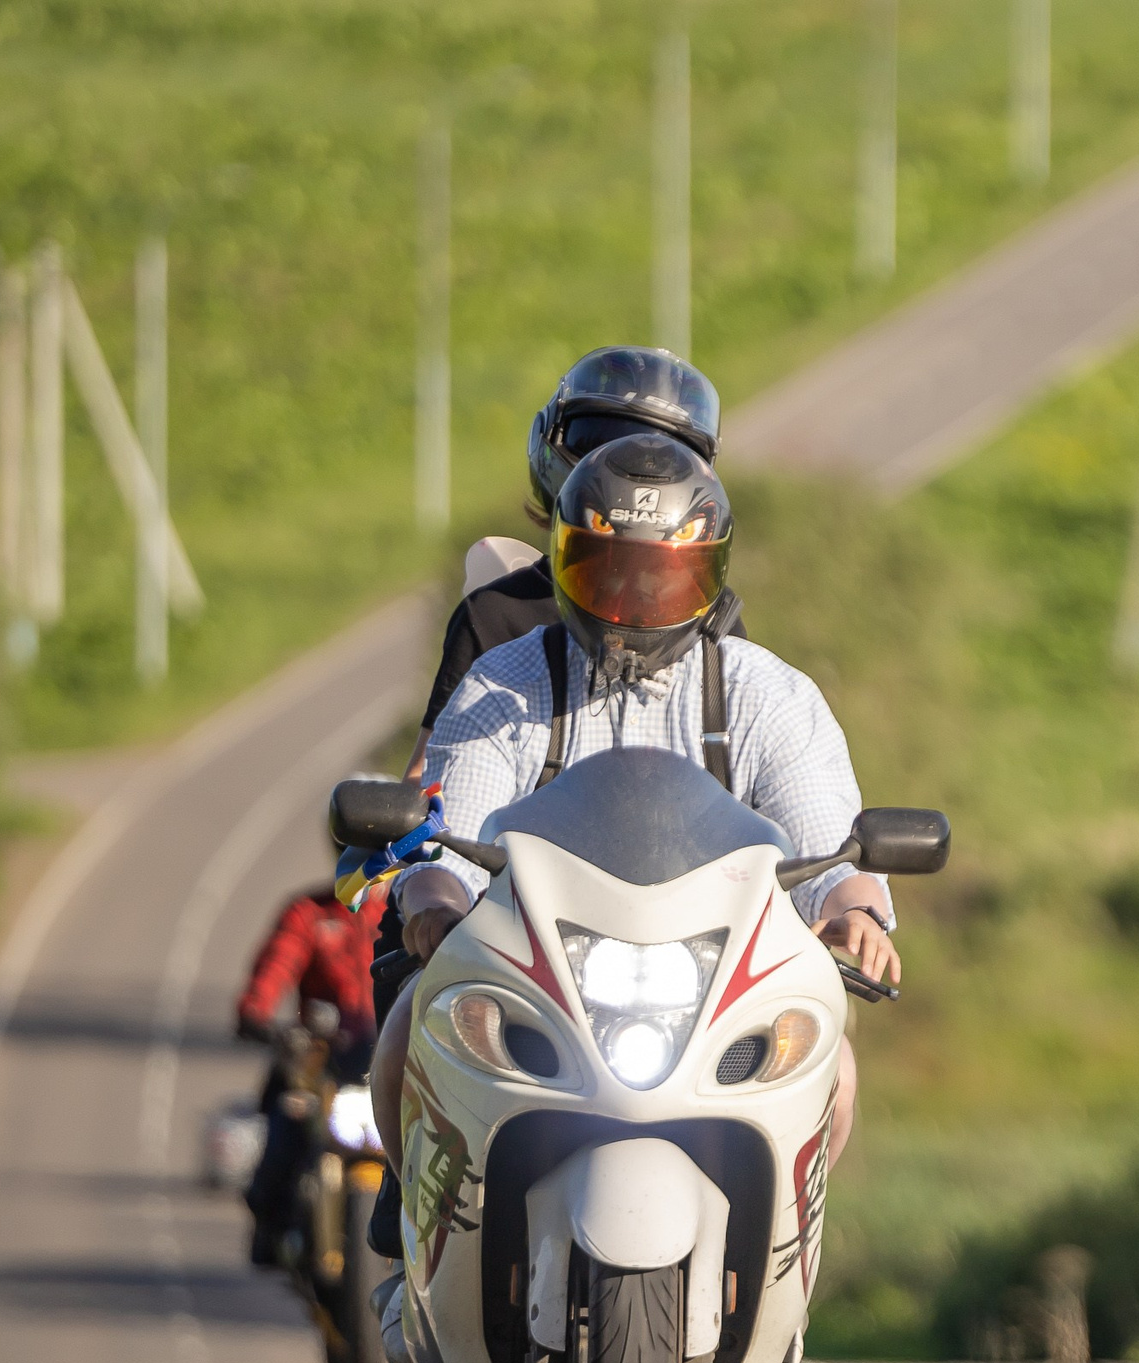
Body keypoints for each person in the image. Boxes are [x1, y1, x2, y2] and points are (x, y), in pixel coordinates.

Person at [382, 432, 897, 1174]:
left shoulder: (768, 695)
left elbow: (829, 840)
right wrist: (431, 892)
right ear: (563, 562)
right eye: (608, 574)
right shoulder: (504, 684)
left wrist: (856, 907)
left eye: (665, 578)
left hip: (719, 993)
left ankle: (775, 1274)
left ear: (710, 574)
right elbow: (444, 831)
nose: (636, 601)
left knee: (835, 1072)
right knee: (408, 1033)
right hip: (539, 982)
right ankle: (422, 1256)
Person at [373, 347, 745, 1027]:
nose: (635, 475)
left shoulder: (713, 622)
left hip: (672, 923)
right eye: (600, 444)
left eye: (660, 453)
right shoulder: (498, 616)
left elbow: (743, 781)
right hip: (522, 918)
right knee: (409, 1028)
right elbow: (433, 785)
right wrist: (429, 879)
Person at [235, 874, 389, 1266]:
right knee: (284, 1132)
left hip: (397, 1067)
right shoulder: (308, 913)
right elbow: (268, 981)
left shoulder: (407, 911)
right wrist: (260, 1017)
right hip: (326, 1070)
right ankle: (274, 1226)